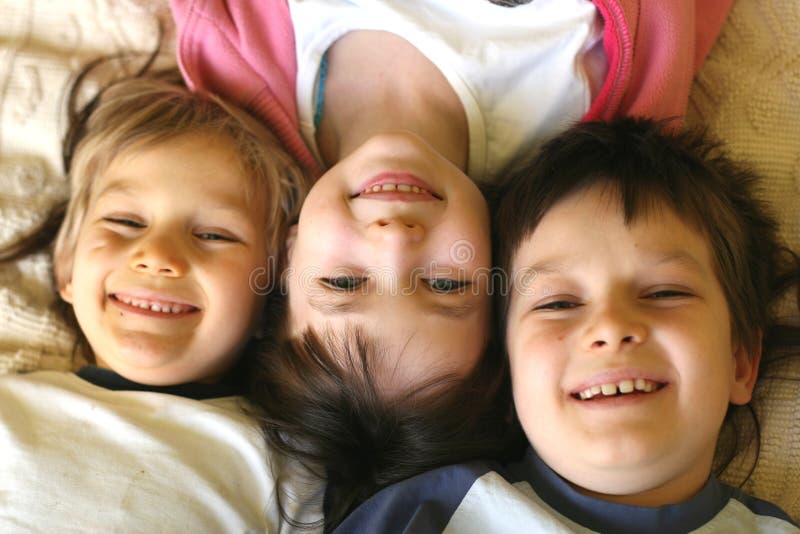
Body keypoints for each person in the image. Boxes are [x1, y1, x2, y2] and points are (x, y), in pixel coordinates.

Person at [166, 0, 734, 528]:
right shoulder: (604, 130)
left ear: (286, 259)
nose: (395, 240)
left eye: (344, 281)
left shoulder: (233, 70)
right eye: (444, 282)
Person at [333, 118, 800, 533]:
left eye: (664, 293)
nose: (611, 326)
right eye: (558, 303)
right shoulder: (431, 512)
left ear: (741, 361)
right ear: (507, 373)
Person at [0, 67, 317, 531]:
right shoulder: (11, 410)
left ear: (271, 293)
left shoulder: (288, 462)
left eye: (214, 234)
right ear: (66, 265)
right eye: (126, 221)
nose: (158, 256)